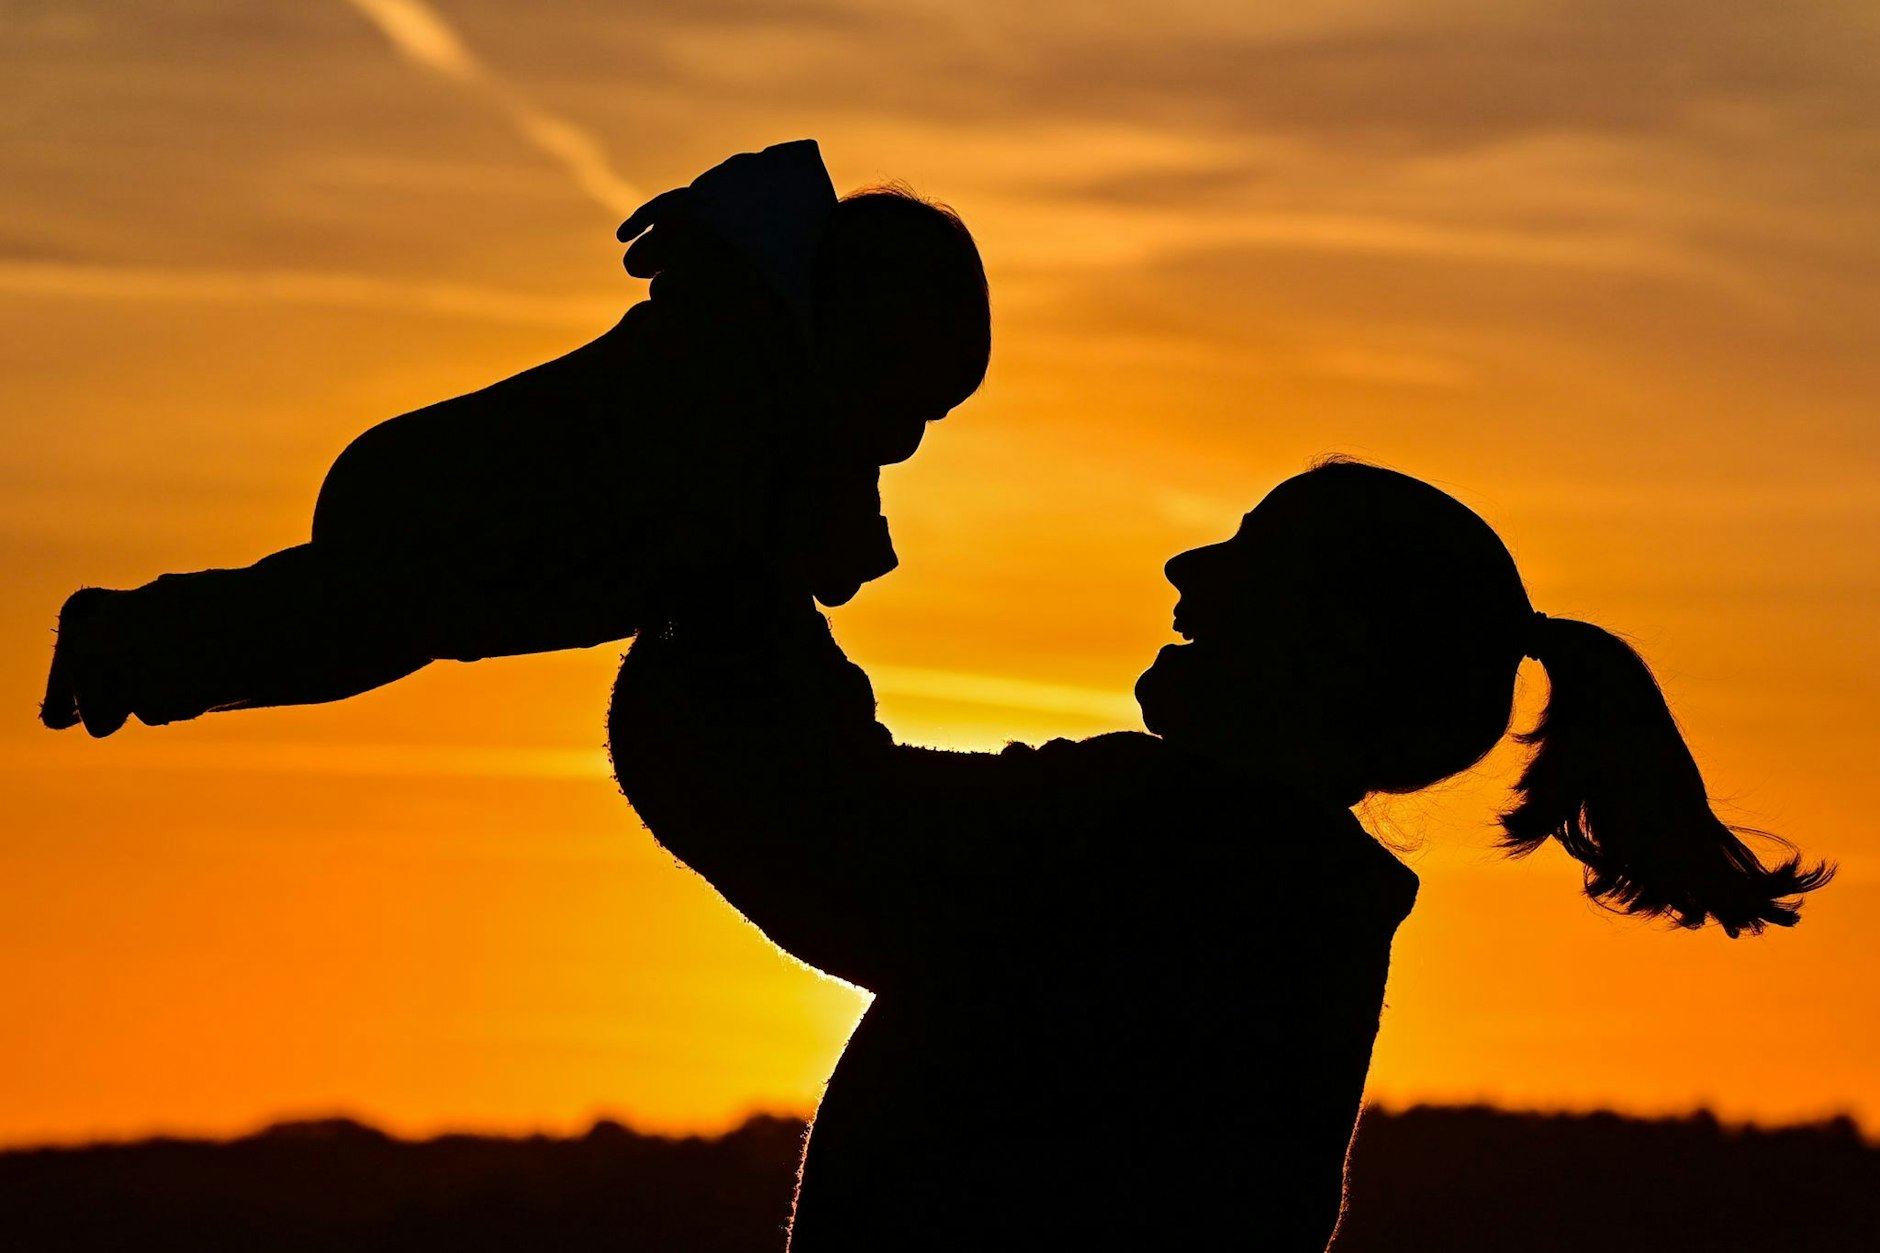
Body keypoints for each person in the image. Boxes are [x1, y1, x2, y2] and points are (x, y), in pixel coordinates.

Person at [607, 458, 1831, 1251]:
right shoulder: (1285, 894)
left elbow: (801, 813)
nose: (1187, 569)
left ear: (1327, 645)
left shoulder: (1164, 846)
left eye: (1251, 551)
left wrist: (737, 570)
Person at [41, 140, 991, 737]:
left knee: (341, 643)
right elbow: (777, 548)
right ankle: (123, 639)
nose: (902, 444)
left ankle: (132, 649)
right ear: (859, 337)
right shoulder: (726, 374)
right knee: (336, 634)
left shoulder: (775, 395)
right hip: (444, 498)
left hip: (463, 526)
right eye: (908, 404)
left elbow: (796, 547)